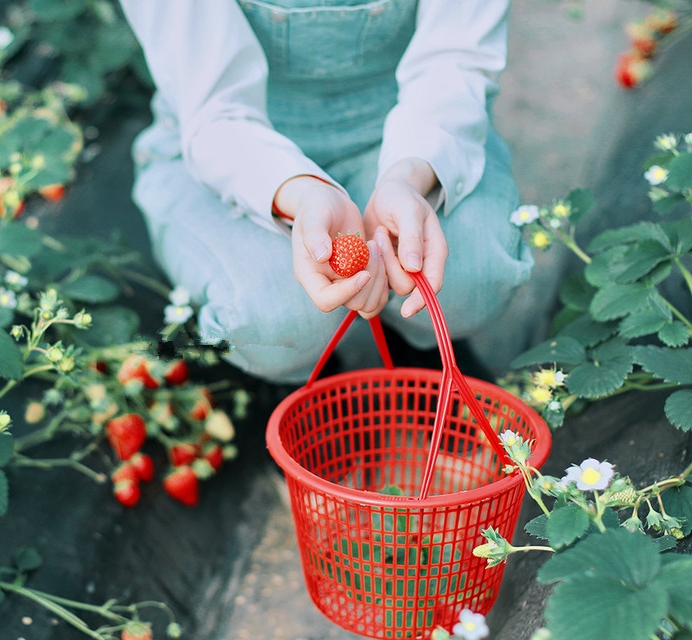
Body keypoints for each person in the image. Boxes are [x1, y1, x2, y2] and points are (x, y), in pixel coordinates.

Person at [117, 0, 534, 384]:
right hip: (229, 145)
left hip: (400, 124)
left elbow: (454, 59)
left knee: (474, 270)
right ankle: (302, 376)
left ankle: (423, 348)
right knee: (273, 318)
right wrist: (299, 193)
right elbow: (214, 110)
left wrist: (408, 176)